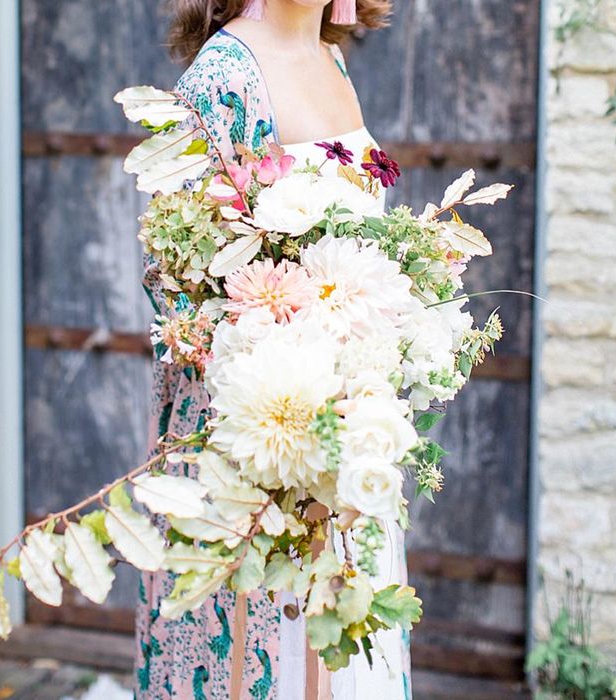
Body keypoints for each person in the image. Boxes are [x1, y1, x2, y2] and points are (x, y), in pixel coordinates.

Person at [135, 1, 411, 697]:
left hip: (345, 425)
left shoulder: (332, 57)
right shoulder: (224, 77)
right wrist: (294, 380)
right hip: (259, 436)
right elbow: (181, 279)